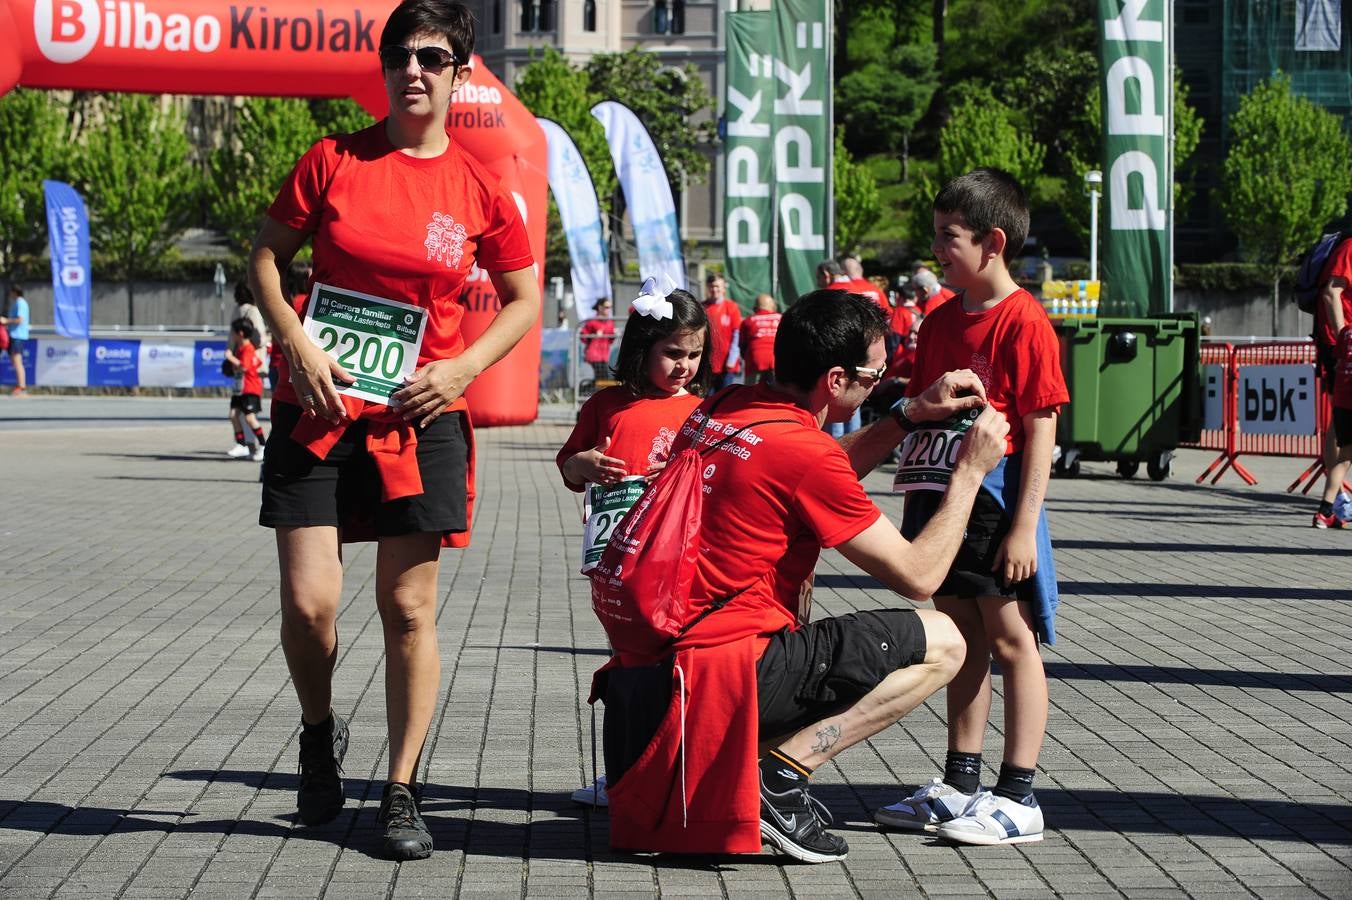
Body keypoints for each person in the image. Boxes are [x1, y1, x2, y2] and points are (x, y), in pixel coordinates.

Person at [246, 0, 540, 861]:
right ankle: (316, 729)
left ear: (460, 72)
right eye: (399, 56)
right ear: (383, 69)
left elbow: (523, 302)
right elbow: (265, 257)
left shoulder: (484, 187)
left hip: (422, 417)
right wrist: (293, 340)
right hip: (322, 413)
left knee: (407, 610)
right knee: (311, 606)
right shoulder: (333, 159)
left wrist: (460, 370)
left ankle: (404, 788)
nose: (413, 70)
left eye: (432, 57)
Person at [593, 290, 1010, 862]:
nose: (881, 382)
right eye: (875, 374)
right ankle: (780, 780)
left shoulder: (725, 406)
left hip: (652, 680)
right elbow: (920, 575)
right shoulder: (803, 453)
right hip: (721, 677)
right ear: (835, 380)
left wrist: (907, 415)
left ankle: (754, 768)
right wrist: (968, 472)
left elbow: (813, 468)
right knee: (944, 642)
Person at [877, 167, 1068, 846]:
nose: (937, 251)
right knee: (961, 641)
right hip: (940, 497)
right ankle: (961, 781)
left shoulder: (1025, 320)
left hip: (995, 503)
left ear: (993, 242)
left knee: (1014, 639)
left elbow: (1041, 427)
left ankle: (1019, 795)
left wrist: (1022, 527)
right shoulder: (939, 317)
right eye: (934, 235)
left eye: (948, 238)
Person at [558, 283, 711, 806]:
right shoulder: (606, 404)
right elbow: (568, 465)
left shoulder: (705, 412)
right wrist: (582, 466)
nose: (683, 365)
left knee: (672, 663)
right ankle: (622, 774)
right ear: (642, 346)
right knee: (625, 662)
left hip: (678, 560)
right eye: (672, 353)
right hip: (617, 560)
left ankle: (666, 770)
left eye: (694, 354)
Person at [1313, 232, 1352, 528]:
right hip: (1342, 347)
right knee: (1341, 428)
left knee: (1341, 428)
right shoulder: (1351, 248)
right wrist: (1343, 339)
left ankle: (1333, 503)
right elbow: (1331, 292)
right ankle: (1334, 502)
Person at [225, 318, 268, 461]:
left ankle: (263, 445)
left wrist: (230, 358)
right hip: (240, 388)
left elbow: (244, 366)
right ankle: (241, 444)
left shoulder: (248, 348)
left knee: (250, 418)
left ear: (241, 333)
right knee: (233, 415)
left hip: (250, 388)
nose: (232, 335)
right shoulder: (240, 348)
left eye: (234, 333)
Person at [703, 274, 743, 388]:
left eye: (717, 286)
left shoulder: (732, 307)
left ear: (723, 288)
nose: (714, 289)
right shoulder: (702, 307)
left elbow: (737, 335)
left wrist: (732, 359)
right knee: (708, 399)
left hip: (727, 364)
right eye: (711, 286)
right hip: (708, 364)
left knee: (725, 398)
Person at [739, 294, 781, 384]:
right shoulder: (781, 318)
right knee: (778, 396)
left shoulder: (748, 321)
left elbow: (742, 347)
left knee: (752, 395)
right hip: (778, 363)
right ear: (773, 306)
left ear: (755, 308)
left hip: (754, 363)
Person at [234, 280, 271, 381]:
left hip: (239, 357)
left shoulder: (236, 309)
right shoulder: (253, 311)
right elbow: (259, 339)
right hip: (253, 362)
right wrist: (268, 337)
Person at [579, 298, 616, 384]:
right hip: (593, 356)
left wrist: (613, 335)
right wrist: (593, 336)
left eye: (610, 307)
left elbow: (611, 340)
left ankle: (587, 391)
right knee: (602, 379)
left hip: (604, 356)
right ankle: (587, 392)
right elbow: (583, 336)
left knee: (602, 379)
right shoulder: (592, 321)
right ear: (600, 308)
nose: (608, 309)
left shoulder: (610, 322)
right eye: (606, 307)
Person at [2, 285, 29, 396]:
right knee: (15, 362)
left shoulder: (20, 302)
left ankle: (21, 387)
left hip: (17, 335)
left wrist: (6, 321)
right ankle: (20, 386)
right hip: (15, 335)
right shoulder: (19, 302)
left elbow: (20, 319)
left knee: (17, 362)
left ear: (15, 292)